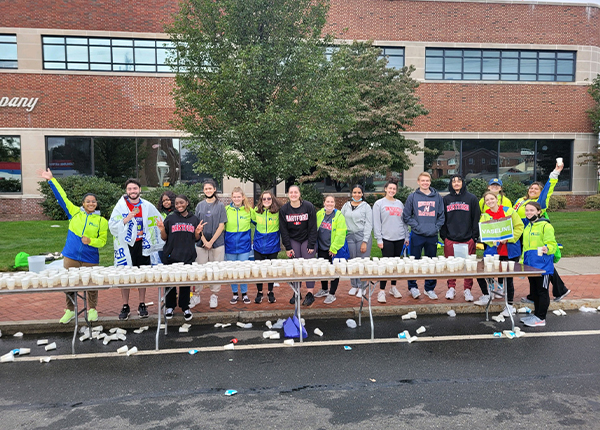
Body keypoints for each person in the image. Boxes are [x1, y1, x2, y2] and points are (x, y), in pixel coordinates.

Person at [38, 168, 108, 324]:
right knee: (69, 284)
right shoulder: (74, 212)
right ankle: (70, 310)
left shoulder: (102, 221)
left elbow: (103, 241)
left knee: (92, 285)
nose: (91, 203)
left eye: (93, 201)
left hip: (90, 258)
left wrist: (91, 241)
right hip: (71, 256)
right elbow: (62, 197)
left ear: (96, 204)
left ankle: (92, 310)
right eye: (88, 201)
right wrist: (51, 180)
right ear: (83, 203)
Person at [514, 162, 570, 301]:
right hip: (525, 233)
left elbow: (547, 191)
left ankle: (557, 290)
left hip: (538, 234)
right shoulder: (521, 201)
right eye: (531, 188)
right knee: (532, 265)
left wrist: (555, 173)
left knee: (543, 265)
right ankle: (546, 292)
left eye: (536, 189)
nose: (532, 190)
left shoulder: (540, 203)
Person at [109, 178, 164, 320]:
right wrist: (127, 218)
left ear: (139, 190)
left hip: (142, 245)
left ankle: (142, 303)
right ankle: (125, 305)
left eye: (135, 189)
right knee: (124, 274)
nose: (132, 191)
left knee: (142, 274)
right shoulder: (121, 206)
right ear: (126, 191)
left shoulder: (147, 206)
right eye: (129, 189)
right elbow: (112, 226)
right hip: (127, 246)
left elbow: (158, 220)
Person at [474, 191, 524, 316]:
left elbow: (519, 227)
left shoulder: (509, 211)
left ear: (497, 199)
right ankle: (488, 294)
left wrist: (509, 239)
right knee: (479, 271)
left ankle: (509, 306)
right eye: (487, 200)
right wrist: (493, 240)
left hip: (510, 250)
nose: (490, 201)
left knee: (508, 278)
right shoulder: (485, 216)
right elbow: (484, 235)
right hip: (493, 251)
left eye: (492, 199)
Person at [157, 195, 205, 321]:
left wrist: (197, 232)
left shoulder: (194, 219)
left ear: (187, 203)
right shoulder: (171, 218)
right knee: (171, 283)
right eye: (177, 203)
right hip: (171, 255)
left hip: (187, 255)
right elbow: (164, 237)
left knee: (185, 283)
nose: (179, 205)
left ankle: (185, 307)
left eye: (181, 203)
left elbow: (196, 239)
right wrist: (162, 229)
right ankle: (170, 307)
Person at [402, 172, 445, 300]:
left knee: (431, 263)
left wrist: (435, 228)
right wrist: (417, 226)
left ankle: (429, 288)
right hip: (417, 235)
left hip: (432, 235)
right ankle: (413, 287)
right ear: (418, 182)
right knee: (413, 262)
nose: (425, 183)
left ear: (430, 182)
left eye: (427, 180)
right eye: (423, 180)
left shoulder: (437, 197)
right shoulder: (413, 197)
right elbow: (406, 216)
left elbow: (441, 216)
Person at [440, 174, 480, 302]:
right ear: (451, 184)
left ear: (463, 183)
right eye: (453, 181)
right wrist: (444, 236)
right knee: (451, 265)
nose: (456, 183)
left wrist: (474, 236)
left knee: (468, 266)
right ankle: (451, 288)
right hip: (451, 238)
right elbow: (442, 218)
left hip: (467, 238)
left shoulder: (472, 198)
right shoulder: (446, 199)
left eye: (459, 181)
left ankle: (467, 289)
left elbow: (476, 218)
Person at [279, 185, 318, 306]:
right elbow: (283, 230)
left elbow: (312, 227)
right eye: (291, 192)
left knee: (308, 264)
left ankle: (310, 293)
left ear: (299, 194)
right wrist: (288, 247)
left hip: (307, 239)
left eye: (296, 192)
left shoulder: (308, 206)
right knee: (295, 265)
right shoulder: (284, 209)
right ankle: (296, 292)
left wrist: (311, 244)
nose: (293, 194)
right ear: (288, 194)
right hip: (293, 239)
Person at [520, 201, 557, 327]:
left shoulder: (545, 226)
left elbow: (553, 244)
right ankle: (536, 315)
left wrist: (548, 248)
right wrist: (522, 264)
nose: (528, 213)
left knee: (542, 291)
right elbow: (525, 248)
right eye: (527, 210)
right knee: (534, 291)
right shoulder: (528, 227)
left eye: (531, 210)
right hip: (531, 267)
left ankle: (541, 318)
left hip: (543, 267)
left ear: (539, 212)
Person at [372, 180, 408, 303]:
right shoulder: (379, 204)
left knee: (395, 265)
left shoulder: (399, 204)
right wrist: (379, 238)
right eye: (390, 188)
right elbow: (376, 223)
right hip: (386, 239)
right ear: (385, 189)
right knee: (385, 266)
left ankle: (393, 287)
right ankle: (381, 291)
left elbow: (403, 222)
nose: (392, 191)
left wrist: (406, 237)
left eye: (394, 189)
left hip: (399, 238)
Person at [194, 179, 227, 309]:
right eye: (206, 189)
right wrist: (204, 241)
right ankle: (196, 295)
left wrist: (211, 241)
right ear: (204, 191)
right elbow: (197, 226)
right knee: (199, 270)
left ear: (214, 189)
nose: (208, 190)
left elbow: (221, 225)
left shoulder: (220, 206)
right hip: (201, 243)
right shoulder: (199, 206)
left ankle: (214, 295)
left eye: (210, 188)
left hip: (217, 243)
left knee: (216, 270)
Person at [314, 195, 350, 304]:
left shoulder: (339, 216)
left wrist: (334, 248)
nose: (329, 204)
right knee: (323, 270)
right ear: (324, 203)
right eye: (327, 201)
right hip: (322, 247)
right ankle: (324, 289)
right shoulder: (319, 214)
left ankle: (332, 293)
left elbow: (341, 233)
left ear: (334, 203)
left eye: (332, 202)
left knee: (334, 271)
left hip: (334, 249)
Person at [341, 184, 373, 298]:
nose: (357, 194)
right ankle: (354, 285)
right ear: (351, 193)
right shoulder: (346, 205)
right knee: (351, 262)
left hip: (361, 236)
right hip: (349, 236)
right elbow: (341, 220)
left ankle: (362, 287)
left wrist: (365, 241)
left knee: (361, 262)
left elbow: (369, 224)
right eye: (354, 192)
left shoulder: (366, 206)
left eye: (359, 192)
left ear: (362, 194)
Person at [251, 190, 281, 304]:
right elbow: (252, 222)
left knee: (271, 270)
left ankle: (270, 291)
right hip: (259, 245)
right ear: (261, 200)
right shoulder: (256, 211)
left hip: (273, 245)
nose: (267, 201)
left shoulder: (278, 212)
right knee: (259, 270)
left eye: (269, 198)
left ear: (272, 199)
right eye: (264, 199)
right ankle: (259, 292)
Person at [224, 187, 253, 305]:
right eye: (234, 197)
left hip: (244, 246)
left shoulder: (249, 210)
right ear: (231, 198)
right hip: (230, 245)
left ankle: (245, 293)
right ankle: (235, 293)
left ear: (243, 197)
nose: (236, 199)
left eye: (238, 197)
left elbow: (259, 222)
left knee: (243, 270)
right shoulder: (225, 209)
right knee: (233, 271)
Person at [156, 191, 176, 264]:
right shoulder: (159, 213)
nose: (165, 202)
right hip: (163, 244)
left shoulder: (178, 213)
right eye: (163, 201)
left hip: (175, 244)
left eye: (167, 200)